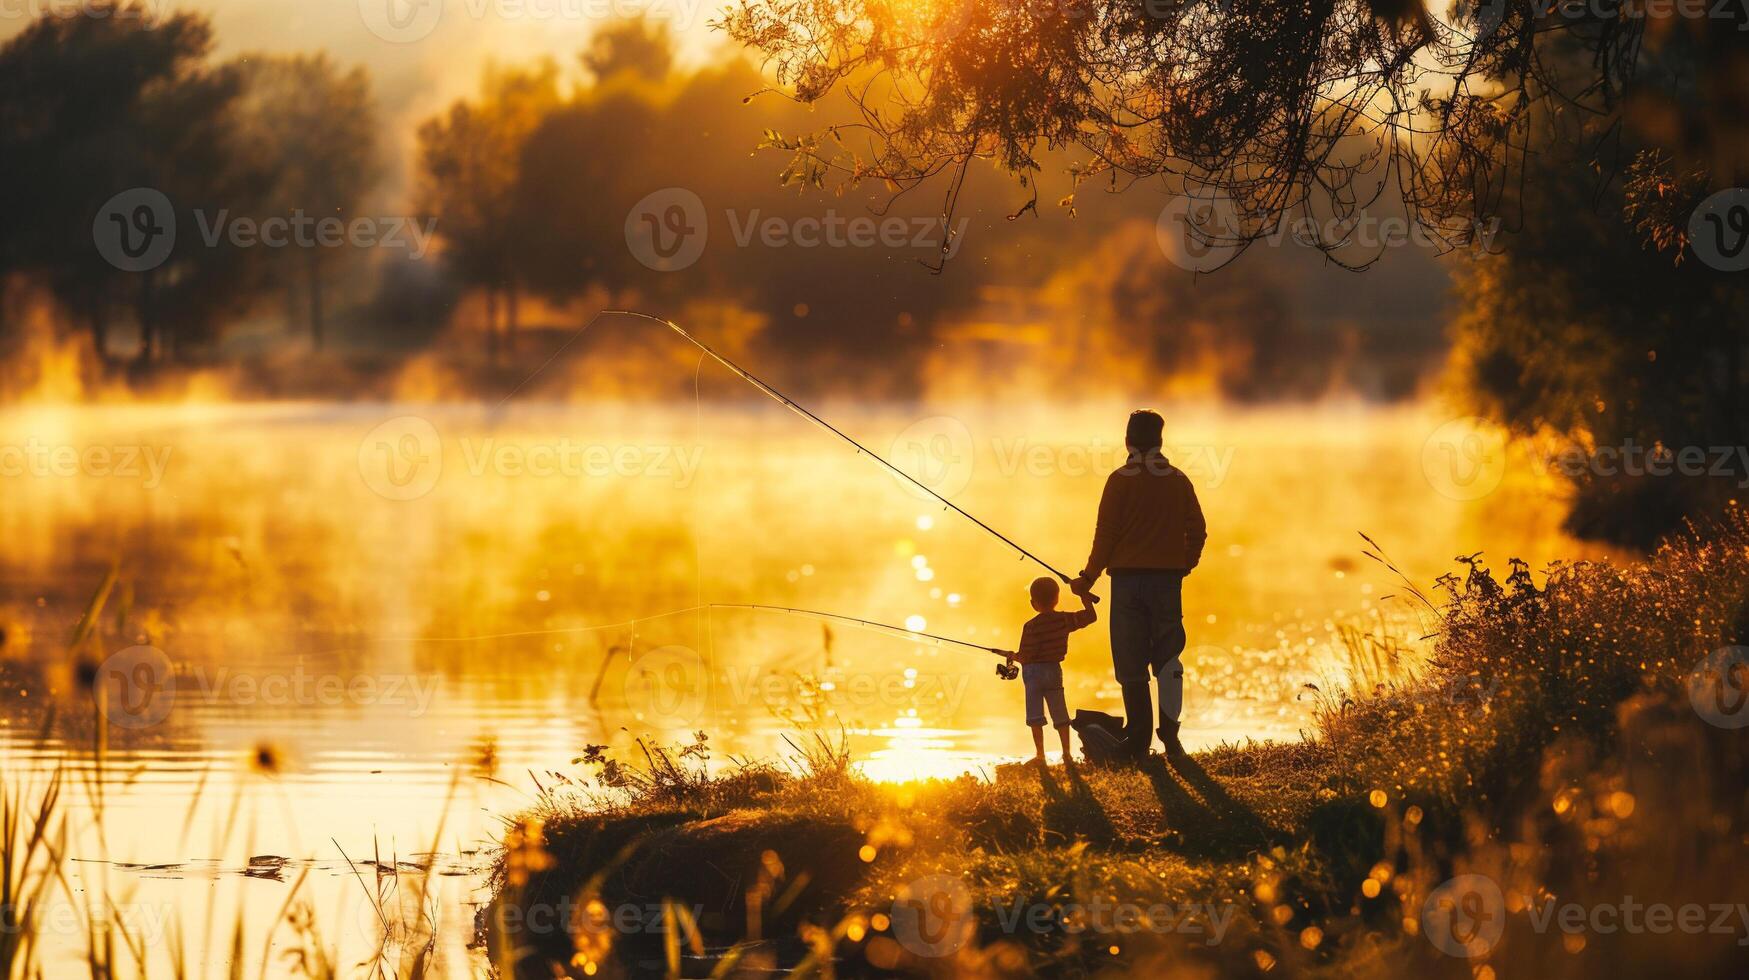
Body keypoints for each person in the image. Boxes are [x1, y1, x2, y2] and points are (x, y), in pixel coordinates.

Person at [1071, 410, 1207, 760]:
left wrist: (1088, 578)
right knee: (1168, 661)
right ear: (1160, 441)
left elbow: (1106, 535)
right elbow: (1198, 530)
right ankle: (1171, 739)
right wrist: (1183, 566)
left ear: (1127, 441)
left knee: (1131, 663)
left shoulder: (1119, 479)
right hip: (1167, 582)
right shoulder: (1178, 479)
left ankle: (1137, 739)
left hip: (1128, 583)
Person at [1008, 576, 1098, 766]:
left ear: (1033, 603)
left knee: (1035, 715)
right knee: (1060, 712)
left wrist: (1011, 656)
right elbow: (1091, 616)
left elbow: (1026, 656)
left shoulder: (1030, 626)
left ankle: (1040, 755)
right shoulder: (1064, 620)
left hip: (1034, 674)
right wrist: (1085, 597)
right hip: (1054, 671)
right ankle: (1066, 754)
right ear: (1057, 599)